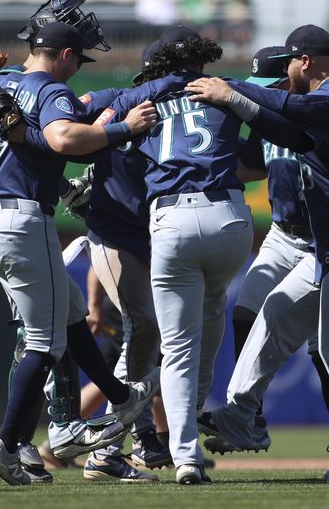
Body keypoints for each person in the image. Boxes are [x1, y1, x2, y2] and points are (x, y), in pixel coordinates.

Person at [186, 24, 329, 483]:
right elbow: (286, 131)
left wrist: (231, 92)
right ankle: (240, 416)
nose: (286, 72)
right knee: (274, 311)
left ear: (303, 61)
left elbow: (292, 107)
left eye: (289, 62)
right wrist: (238, 102)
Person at [0, 21, 160, 486]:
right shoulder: (50, 90)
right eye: (78, 58)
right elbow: (63, 141)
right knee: (45, 342)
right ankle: (11, 445)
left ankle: (120, 396)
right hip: (23, 219)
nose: (77, 68)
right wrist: (123, 128)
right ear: (63, 54)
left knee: (72, 312)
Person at [96, 25, 254, 485]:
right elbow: (281, 121)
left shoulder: (144, 97)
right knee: (210, 320)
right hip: (229, 218)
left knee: (177, 348)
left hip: (172, 221)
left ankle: (184, 455)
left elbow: (94, 126)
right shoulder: (226, 89)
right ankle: (209, 415)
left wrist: (142, 96)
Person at [200, 45, 329, 480]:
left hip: (324, 244)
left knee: (324, 353)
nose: (265, 94)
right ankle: (250, 419)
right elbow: (248, 168)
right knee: (245, 312)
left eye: (274, 86)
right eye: (261, 88)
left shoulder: (318, 115)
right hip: (283, 234)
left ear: (294, 79)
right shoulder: (266, 122)